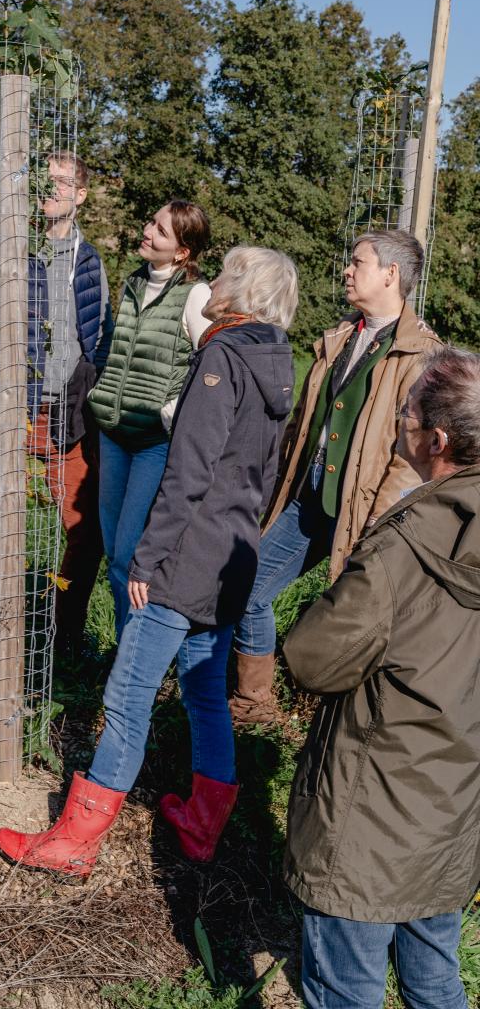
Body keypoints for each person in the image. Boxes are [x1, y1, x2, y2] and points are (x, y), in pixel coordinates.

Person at [0, 247, 298, 876]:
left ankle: (76, 842)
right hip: (232, 552)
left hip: (186, 555)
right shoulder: (276, 359)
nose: (214, 281)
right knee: (204, 689)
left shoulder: (222, 356)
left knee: (128, 692)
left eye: (225, 272)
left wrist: (147, 559)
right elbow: (266, 475)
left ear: (243, 289)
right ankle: (203, 823)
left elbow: (188, 470)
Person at [283, 347, 480, 1009]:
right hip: (454, 810)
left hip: (370, 815)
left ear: (437, 440)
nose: (398, 421)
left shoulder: (404, 545)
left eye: (406, 413)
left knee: (347, 989)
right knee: (435, 980)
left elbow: (314, 659)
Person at [229, 229, 441, 725]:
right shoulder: (342, 335)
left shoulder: (420, 355)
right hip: (309, 501)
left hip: (366, 515)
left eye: (358, 262)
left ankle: (340, 722)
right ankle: (254, 705)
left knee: (355, 627)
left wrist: (378, 524)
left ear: (390, 274)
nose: (347, 270)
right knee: (248, 587)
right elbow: (305, 421)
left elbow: (410, 458)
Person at [0, 151, 111, 652]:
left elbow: (103, 336)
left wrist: (94, 394)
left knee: (84, 529)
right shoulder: (6, 252)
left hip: (69, 413)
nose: (50, 191)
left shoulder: (90, 262)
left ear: (81, 195)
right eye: (44, 182)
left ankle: (65, 633)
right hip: (10, 411)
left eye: (62, 183)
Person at [87, 201, 212, 640]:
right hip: (114, 433)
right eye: (150, 222)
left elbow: (210, 364)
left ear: (181, 251)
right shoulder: (134, 283)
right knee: (113, 549)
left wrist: (172, 410)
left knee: (130, 553)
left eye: (160, 230)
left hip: (154, 443)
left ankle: (134, 652)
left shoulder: (195, 295)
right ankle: (128, 644)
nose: (147, 231)